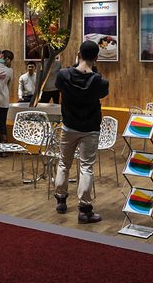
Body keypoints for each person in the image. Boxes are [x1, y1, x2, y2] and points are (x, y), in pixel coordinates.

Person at [53, 40, 109, 224]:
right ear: (97, 57)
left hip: (69, 126)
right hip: (90, 129)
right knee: (86, 167)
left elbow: (61, 87)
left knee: (64, 163)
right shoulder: (100, 81)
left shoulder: (63, 75)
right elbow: (101, 93)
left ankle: (61, 200)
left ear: (78, 53)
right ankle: (84, 210)